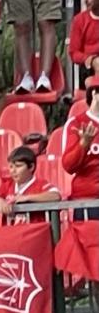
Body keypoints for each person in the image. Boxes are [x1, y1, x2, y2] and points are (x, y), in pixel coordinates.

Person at [59, 80, 99, 214]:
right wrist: (84, 144)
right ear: (94, 94)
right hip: (89, 200)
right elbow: (69, 166)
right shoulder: (76, 123)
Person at [0, 146, 62, 216]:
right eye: (11, 167)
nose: (13, 171)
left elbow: (55, 196)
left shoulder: (40, 184)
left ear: (31, 167)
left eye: (18, 166)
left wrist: (27, 198)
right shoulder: (7, 185)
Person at [70, 0, 99, 85]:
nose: (86, 0)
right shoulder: (79, 20)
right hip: (88, 68)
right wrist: (90, 59)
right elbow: (74, 52)